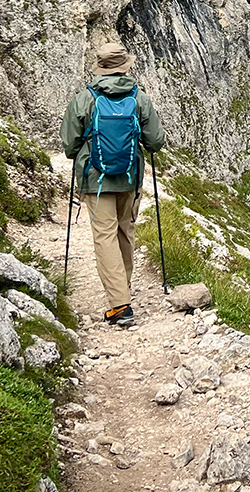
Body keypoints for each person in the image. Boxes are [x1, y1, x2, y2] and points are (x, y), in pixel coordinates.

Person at [61, 42, 165, 327]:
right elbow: (155, 141)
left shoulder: (85, 99)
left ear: (100, 68)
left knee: (104, 236)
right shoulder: (139, 98)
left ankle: (119, 305)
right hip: (130, 178)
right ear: (125, 67)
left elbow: (69, 146)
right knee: (125, 232)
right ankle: (123, 290)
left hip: (95, 179)